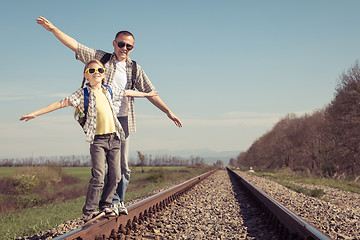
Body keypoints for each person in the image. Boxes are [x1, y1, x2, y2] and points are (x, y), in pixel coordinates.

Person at [36, 16, 182, 215]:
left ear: (132, 48)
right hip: (100, 120)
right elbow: (76, 47)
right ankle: (105, 204)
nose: (124, 48)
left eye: (129, 46)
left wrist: (169, 112)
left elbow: (150, 92)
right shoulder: (102, 58)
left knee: (122, 167)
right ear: (114, 43)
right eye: (121, 44)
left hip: (122, 120)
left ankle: (116, 201)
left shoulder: (135, 68)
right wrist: (53, 29)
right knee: (101, 169)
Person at [20, 59, 159, 221]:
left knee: (115, 176)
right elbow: (60, 103)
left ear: (104, 74)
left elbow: (127, 92)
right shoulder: (82, 94)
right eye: (92, 71)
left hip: (115, 138)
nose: (96, 73)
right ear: (86, 75)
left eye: (100, 70)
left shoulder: (108, 90)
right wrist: (35, 113)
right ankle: (89, 210)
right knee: (99, 176)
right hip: (98, 140)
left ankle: (106, 205)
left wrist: (146, 94)